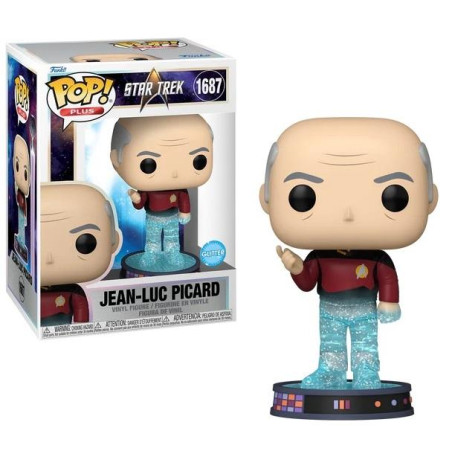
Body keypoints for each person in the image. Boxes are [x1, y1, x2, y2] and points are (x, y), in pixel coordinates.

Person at [259, 118, 438, 389]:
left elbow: (387, 277)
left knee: (366, 345)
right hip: (329, 308)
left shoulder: (376, 258)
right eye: (303, 197)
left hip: (364, 308)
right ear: (267, 198)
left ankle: (367, 373)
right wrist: (296, 268)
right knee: (330, 345)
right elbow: (307, 283)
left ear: (430, 199)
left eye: (394, 197)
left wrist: (389, 301)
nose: (348, 214)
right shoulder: (319, 256)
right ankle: (331, 372)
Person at [110, 115, 213, 268]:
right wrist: (136, 198)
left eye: (198, 161)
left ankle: (173, 254)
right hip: (153, 217)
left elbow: (183, 198)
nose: (174, 173)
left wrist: (185, 212)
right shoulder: (147, 188)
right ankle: (152, 255)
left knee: (172, 238)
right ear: (116, 158)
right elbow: (141, 202)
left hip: (171, 216)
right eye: (148, 164)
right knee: (153, 240)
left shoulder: (179, 189)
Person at [40, 183, 121, 326]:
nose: (49, 258)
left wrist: (81, 329)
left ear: (113, 241)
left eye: (85, 242)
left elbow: (81, 312)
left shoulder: (73, 291)